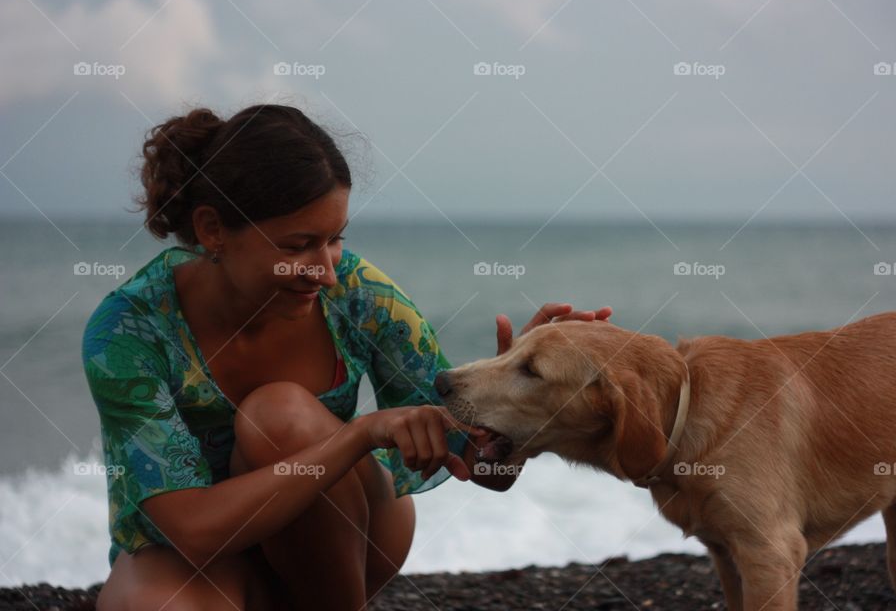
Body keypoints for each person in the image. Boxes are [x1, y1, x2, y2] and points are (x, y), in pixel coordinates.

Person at [81, 103, 612, 610]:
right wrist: (359, 432)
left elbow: (486, 470)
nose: (328, 271)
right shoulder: (129, 331)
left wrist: (511, 409)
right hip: (200, 551)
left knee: (278, 416)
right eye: (297, 247)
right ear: (212, 229)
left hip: (346, 532)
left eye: (335, 240)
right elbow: (194, 533)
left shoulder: (360, 294)